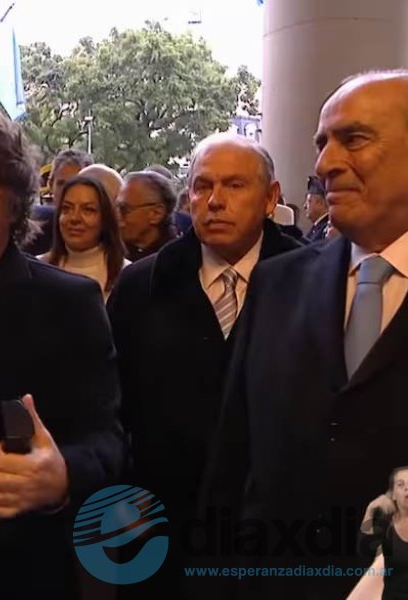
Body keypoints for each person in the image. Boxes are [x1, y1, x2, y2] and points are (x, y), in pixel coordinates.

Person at [203, 70, 408, 600]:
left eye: (353, 139)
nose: (324, 165)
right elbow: (232, 466)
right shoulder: (279, 283)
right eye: (322, 144)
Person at [0, 110, 124, 599]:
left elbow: (107, 439)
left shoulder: (66, 302)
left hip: (15, 570)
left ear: (13, 207)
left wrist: (61, 477)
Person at [108, 133, 301, 598]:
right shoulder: (140, 287)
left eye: (234, 186)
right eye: (202, 186)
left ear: (271, 198)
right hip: (161, 529)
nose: (214, 201)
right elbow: (114, 409)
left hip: (280, 535)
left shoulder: (311, 281)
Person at [41, 174, 128, 301]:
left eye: (88, 210)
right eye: (67, 208)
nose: (74, 218)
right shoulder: (37, 268)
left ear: (105, 218)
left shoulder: (127, 275)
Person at [24, 149, 93, 255]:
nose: (68, 191)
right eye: (62, 184)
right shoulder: (32, 231)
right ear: (50, 184)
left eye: (77, 184)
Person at [358, 466, 408, 600]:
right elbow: (364, 551)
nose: (406, 488)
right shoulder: (385, 524)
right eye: (400, 484)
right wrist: (370, 510)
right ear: (393, 494)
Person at [117, 170, 179, 261]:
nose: (117, 217)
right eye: (116, 207)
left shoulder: (177, 261)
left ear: (156, 214)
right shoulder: (113, 255)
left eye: (124, 210)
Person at [305, 174, 330, 242]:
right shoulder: (316, 228)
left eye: (309, 201)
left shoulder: (327, 229)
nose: (305, 206)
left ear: (320, 203)